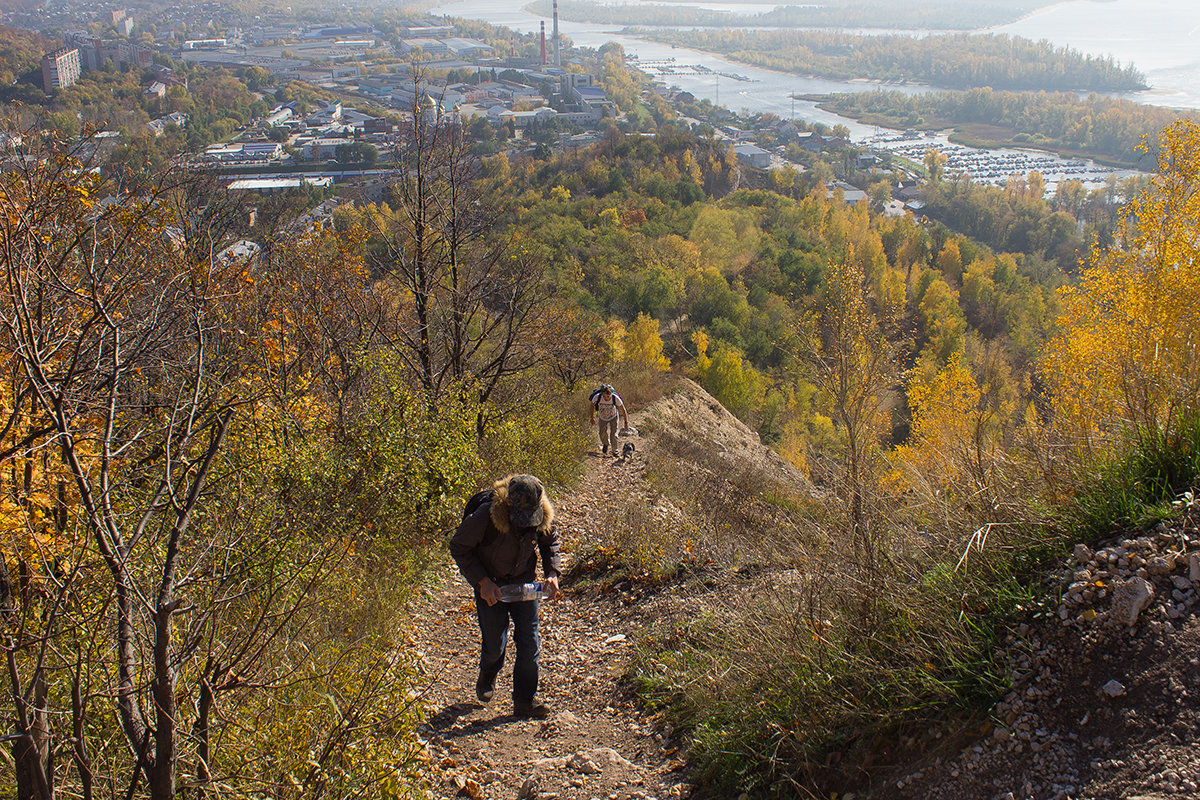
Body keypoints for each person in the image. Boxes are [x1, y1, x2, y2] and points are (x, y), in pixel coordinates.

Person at [449, 474, 561, 719]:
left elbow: (549, 542)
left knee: (530, 643)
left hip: (524, 584)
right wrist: (482, 581)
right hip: (491, 586)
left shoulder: (540, 512)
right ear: (508, 504)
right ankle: (488, 674)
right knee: (495, 643)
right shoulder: (485, 516)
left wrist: (552, 572)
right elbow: (458, 546)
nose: (525, 524)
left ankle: (524, 702)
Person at [590, 384, 628, 457]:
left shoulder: (615, 398)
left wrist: (626, 423)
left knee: (613, 434)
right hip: (602, 417)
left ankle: (615, 451)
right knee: (602, 433)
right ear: (601, 394)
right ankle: (606, 444)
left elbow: (623, 410)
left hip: (613, 416)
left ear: (611, 394)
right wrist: (592, 418)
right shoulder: (597, 397)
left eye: (608, 397)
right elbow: (591, 406)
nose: (606, 398)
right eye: (604, 396)